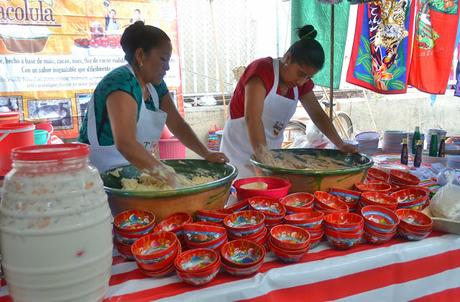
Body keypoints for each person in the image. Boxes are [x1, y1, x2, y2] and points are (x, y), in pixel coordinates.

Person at [79, 21, 228, 182]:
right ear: (140, 55)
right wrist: (167, 175)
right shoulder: (121, 82)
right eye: (163, 59)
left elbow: (177, 125)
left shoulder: (155, 86)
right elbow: (125, 143)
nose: (167, 68)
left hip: (132, 169)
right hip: (98, 173)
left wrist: (206, 153)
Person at [220, 25, 358, 179]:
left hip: (270, 154)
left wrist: (339, 143)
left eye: (308, 77)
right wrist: (263, 159)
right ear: (287, 58)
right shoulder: (262, 70)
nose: (301, 81)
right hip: (239, 152)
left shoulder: (300, 84)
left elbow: (317, 114)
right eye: (300, 74)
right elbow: (252, 118)